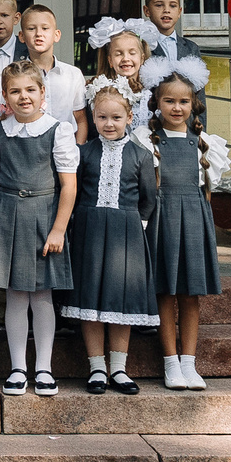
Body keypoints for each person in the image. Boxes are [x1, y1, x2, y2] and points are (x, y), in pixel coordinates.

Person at [0, 63, 77, 397]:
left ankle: (44, 368)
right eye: (15, 91)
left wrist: (58, 229)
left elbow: (68, 186)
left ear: (42, 92)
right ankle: (18, 367)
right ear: (5, 96)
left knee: (41, 296)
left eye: (30, 90)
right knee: (14, 296)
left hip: (44, 216)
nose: (23, 97)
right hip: (8, 215)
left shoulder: (58, 129)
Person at [64, 84, 160, 393]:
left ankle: (119, 368)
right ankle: (96, 368)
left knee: (121, 298)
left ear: (130, 117)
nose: (109, 123)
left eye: (116, 117)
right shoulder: (84, 153)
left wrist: (137, 226)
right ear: (92, 117)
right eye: (102, 117)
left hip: (126, 233)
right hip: (89, 231)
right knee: (91, 296)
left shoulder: (141, 155)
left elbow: (148, 198)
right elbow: (74, 191)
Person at [145, 73, 228, 389]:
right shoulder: (147, 140)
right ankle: (170, 363)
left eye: (183, 101)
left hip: (193, 218)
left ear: (194, 104)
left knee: (191, 293)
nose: (177, 107)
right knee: (164, 291)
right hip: (162, 218)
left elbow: (207, 187)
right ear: (157, 104)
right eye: (169, 100)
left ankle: (189, 363)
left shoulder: (206, 144)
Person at [142, 0, 209, 135]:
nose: (166, 10)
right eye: (159, 5)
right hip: (154, 124)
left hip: (185, 125)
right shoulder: (142, 46)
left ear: (179, 11)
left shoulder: (191, 48)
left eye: (172, 6)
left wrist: (201, 130)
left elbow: (199, 94)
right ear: (147, 10)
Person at [84, 19, 157, 141]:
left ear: (142, 58)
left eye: (132, 53)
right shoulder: (99, 91)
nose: (126, 58)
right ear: (110, 61)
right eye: (119, 54)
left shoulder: (152, 93)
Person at [19, 3, 88, 128]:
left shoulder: (73, 74)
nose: (38, 34)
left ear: (56, 35)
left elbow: (80, 119)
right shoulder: (15, 76)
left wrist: (78, 146)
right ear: (22, 36)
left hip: (67, 145)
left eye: (45, 28)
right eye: (31, 29)